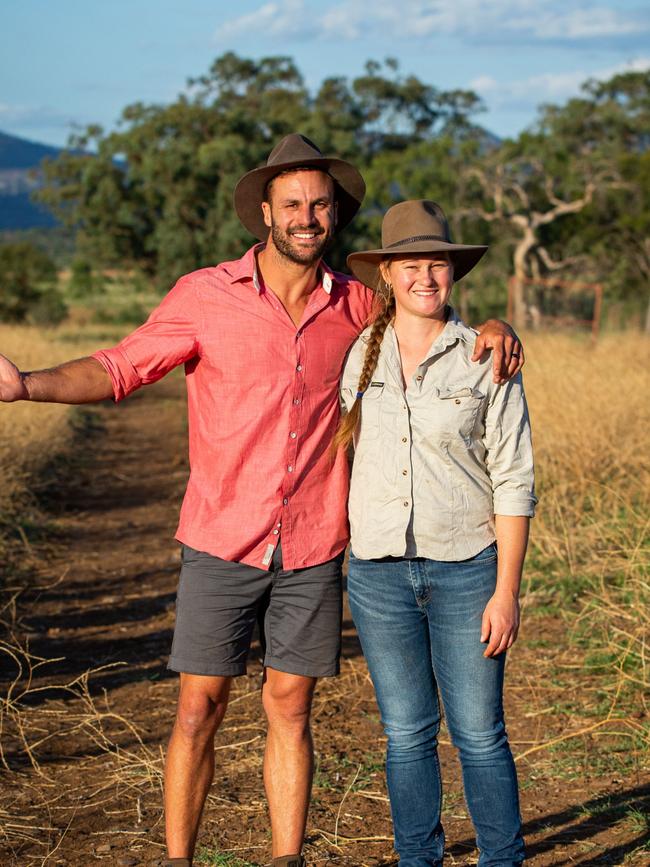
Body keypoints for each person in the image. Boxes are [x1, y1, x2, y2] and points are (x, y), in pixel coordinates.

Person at [0, 138, 524, 867]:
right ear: (265, 215)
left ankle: (287, 858)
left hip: (312, 545)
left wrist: (494, 328)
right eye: (293, 205)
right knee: (197, 707)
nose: (308, 217)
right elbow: (118, 368)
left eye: (320, 204)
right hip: (222, 538)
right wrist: (26, 383)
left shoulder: (357, 303)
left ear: (335, 215)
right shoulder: (204, 296)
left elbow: (427, 311)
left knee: (290, 707)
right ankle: (179, 857)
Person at [337, 200, 536, 867]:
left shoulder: (485, 355)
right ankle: (416, 858)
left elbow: (514, 479)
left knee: (479, 731)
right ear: (387, 273)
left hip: (467, 569)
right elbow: (344, 450)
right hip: (378, 573)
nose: (426, 276)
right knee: (405, 733)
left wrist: (506, 592)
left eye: (438, 263)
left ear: (453, 270)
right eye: (411, 264)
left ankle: (501, 858)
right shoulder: (360, 352)